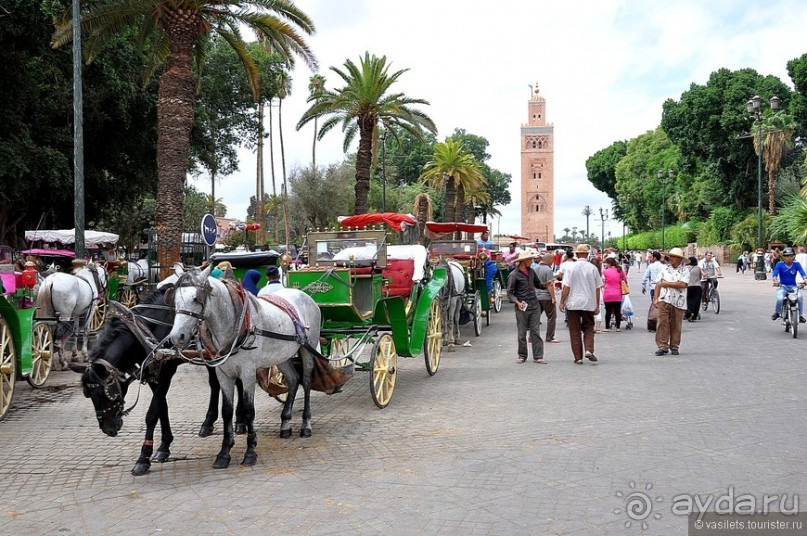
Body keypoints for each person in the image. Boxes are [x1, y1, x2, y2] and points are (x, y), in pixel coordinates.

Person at [559, 244, 602, 364]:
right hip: (588, 302)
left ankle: (578, 357)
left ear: (577, 254)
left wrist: (562, 301)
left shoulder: (571, 268)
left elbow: (566, 286)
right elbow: (597, 288)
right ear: (587, 254)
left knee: (575, 330)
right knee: (589, 327)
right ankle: (589, 349)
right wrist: (597, 304)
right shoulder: (593, 268)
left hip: (573, 302)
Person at [506, 249, 543, 364]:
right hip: (522, 307)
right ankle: (522, 355)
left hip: (534, 305)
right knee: (522, 333)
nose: (531, 261)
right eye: (530, 259)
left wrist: (546, 285)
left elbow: (538, 284)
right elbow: (510, 293)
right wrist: (517, 302)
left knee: (535, 332)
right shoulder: (514, 275)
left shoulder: (531, 271)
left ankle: (538, 356)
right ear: (524, 261)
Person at [653, 247, 689, 356]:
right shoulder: (664, 269)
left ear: (680, 259)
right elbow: (658, 284)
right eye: (671, 256)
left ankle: (674, 346)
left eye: (674, 257)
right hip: (664, 299)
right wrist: (656, 298)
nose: (671, 258)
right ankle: (662, 346)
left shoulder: (685, 270)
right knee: (662, 323)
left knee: (676, 324)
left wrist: (666, 283)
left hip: (679, 301)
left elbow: (683, 284)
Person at [771, 247, 807, 323]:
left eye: (791, 256)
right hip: (783, 286)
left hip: (794, 287)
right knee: (780, 298)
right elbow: (775, 274)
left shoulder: (796, 264)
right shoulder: (780, 264)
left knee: (800, 297)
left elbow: (802, 273)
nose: (789, 258)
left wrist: (805, 279)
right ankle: (777, 312)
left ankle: (800, 315)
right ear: (784, 257)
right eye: (787, 256)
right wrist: (775, 281)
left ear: (793, 256)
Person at [532, 253, 559, 344]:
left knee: (535, 318)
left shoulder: (534, 269)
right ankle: (550, 337)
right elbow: (550, 285)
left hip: (536, 296)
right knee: (551, 317)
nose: (552, 262)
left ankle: (532, 337)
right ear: (549, 260)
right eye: (552, 260)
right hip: (546, 297)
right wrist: (553, 298)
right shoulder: (548, 270)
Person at [601, 257, 627, 332]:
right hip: (617, 293)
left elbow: (602, 281)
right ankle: (618, 328)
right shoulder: (620, 270)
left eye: (606, 263)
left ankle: (607, 328)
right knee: (617, 311)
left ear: (609, 264)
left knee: (608, 311)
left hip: (607, 293)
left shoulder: (604, 271)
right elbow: (625, 280)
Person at [684, 256, 702, 322]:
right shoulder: (698, 268)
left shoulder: (685, 268)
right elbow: (700, 277)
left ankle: (689, 313)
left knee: (689, 301)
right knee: (697, 301)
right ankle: (694, 315)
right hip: (698, 286)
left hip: (689, 286)